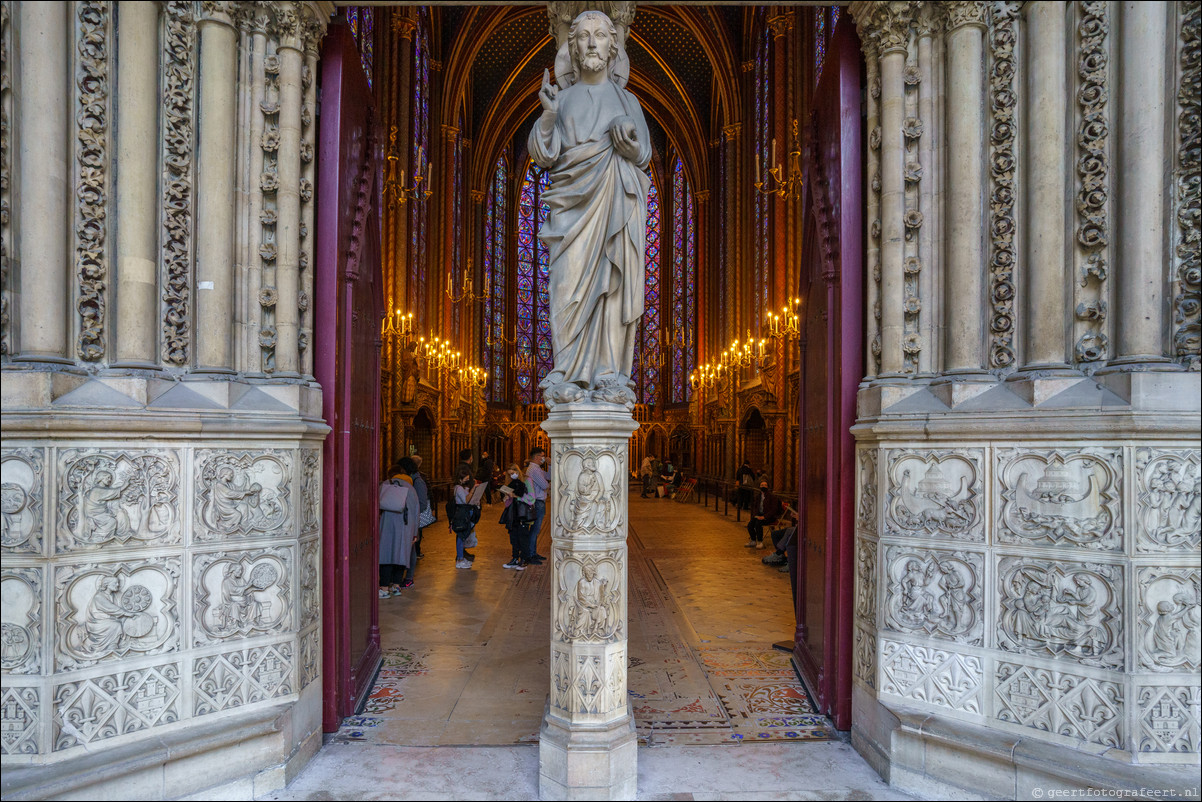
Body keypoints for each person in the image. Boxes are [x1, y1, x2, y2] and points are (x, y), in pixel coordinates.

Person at [528, 9, 652, 407]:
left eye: (601, 35)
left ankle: (608, 373)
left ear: (613, 47)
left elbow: (644, 154)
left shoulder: (628, 99)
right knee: (565, 287)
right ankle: (566, 372)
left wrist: (628, 145)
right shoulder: (560, 100)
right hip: (571, 216)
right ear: (574, 48)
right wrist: (548, 116)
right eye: (584, 37)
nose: (593, 43)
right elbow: (544, 154)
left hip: (614, 209)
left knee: (611, 291)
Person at [379, 464, 419, 596]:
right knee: (401, 555)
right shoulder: (411, 488)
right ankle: (396, 586)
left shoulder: (385, 484)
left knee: (386, 556)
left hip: (386, 525)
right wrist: (415, 533)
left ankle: (384, 588)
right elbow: (415, 511)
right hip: (406, 526)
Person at [500, 462, 537, 568]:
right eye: (509, 474)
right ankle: (515, 558)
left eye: (513, 473)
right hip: (513, 514)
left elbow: (531, 498)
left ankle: (524, 559)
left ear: (518, 471)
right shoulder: (511, 482)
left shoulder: (527, 480)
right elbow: (508, 504)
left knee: (523, 537)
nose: (512, 475)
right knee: (514, 537)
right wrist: (506, 498)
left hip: (523, 513)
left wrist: (516, 496)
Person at [450, 465, 479, 570]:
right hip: (462, 515)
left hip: (466, 514)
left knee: (462, 537)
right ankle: (460, 560)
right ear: (460, 479)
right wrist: (473, 490)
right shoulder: (458, 488)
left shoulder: (463, 487)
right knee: (461, 537)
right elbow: (465, 500)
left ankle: (461, 557)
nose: (467, 479)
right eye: (465, 478)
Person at [525, 447, 549, 562]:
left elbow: (549, 476)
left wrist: (549, 465)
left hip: (539, 501)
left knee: (535, 529)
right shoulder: (534, 469)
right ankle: (530, 554)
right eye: (542, 456)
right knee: (535, 529)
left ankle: (533, 552)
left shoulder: (537, 468)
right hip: (537, 502)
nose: (543, 458)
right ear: (536, 457)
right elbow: (545, 485)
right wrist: (547, 485)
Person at [746, 479, 782, 549]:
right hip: (759, 515)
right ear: (759, 486)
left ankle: (760, 542)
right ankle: (753, 540)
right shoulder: (758, 496)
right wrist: (755, 515)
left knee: (758, 524)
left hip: (770, 517)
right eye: (762, 485)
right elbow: (755, 507)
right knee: (750, 524)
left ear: (767, 487)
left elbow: (774, 509)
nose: (763, 486)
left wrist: (764, 517)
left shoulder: (772, 497)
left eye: (765, 485)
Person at [410, 455, 431, 561]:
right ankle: (416, 551)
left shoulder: (416, 478)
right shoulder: (421, 477)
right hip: (416, 509)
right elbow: (428, 492)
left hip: (414, 509)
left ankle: (415, 552)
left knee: (416, 531)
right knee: (418, 530)